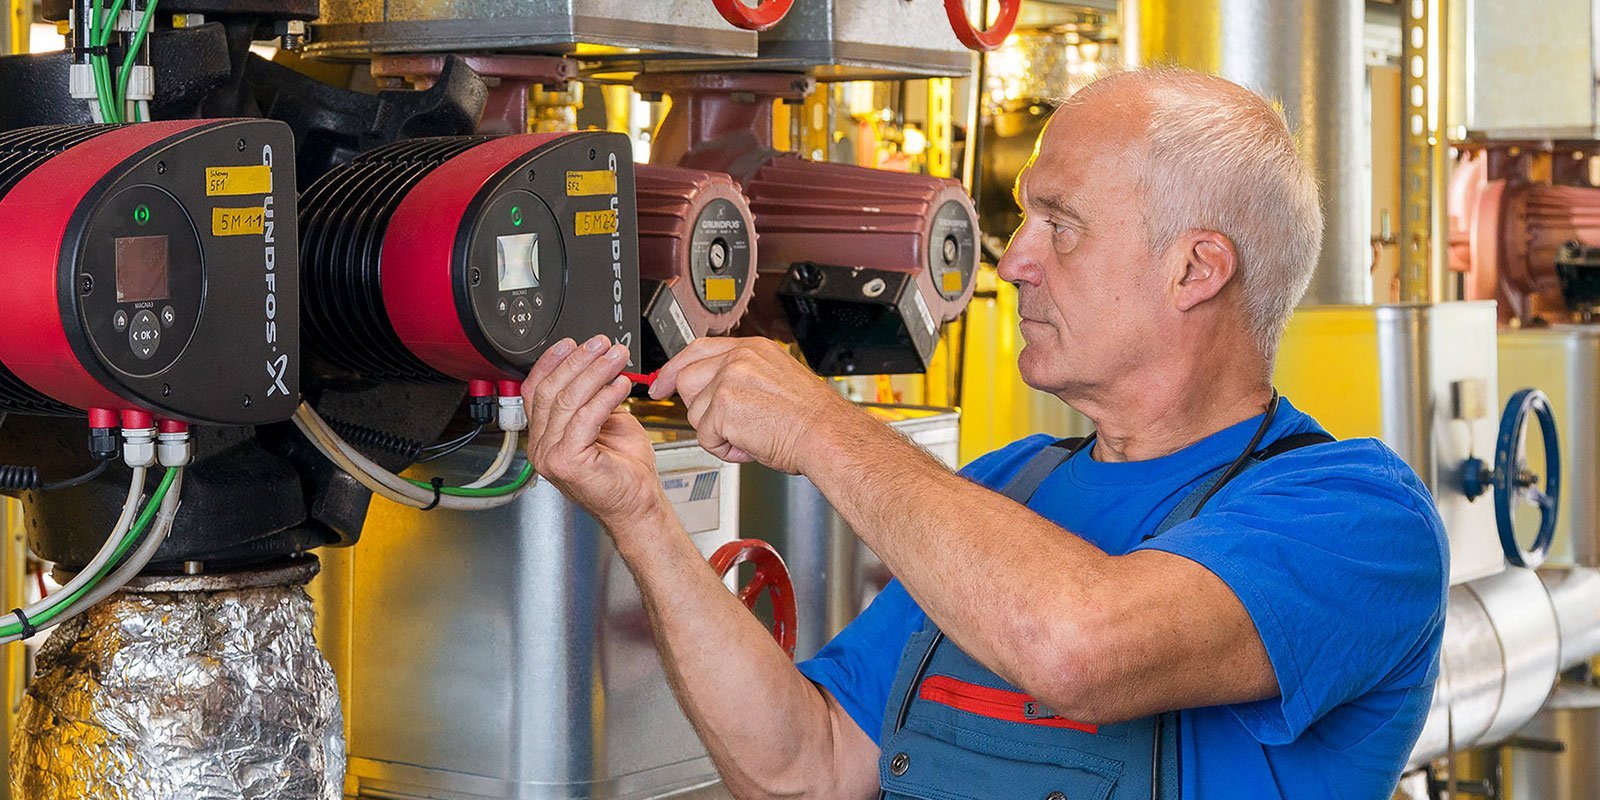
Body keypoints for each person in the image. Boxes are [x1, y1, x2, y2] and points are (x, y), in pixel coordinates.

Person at [520, 67, 1448, 799]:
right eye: (1020, 220)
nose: (1015, 263)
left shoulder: (1357, 519)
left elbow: (1079, 648)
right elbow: (806, 767)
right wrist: (642, 514)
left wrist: (816, 423)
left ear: (1196, 269)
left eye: (1061, 224)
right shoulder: (1009, 490)